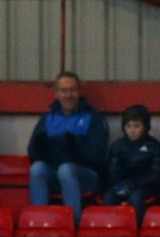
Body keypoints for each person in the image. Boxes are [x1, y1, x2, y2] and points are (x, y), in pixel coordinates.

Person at [27, 71, 108, 225]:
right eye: (64, 91)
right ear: (56, 94)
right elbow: (33, 154)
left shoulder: (94, 118)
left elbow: (98, 156)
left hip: (87, 177)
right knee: (37, 168)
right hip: (56, 175)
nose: (68, 95)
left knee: (66, 169)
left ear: (79, 92)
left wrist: (74, 149)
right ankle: (39, 223)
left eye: (72, 90)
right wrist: (41, 149)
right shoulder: (47, 119)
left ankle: (73, 224)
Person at [102, 105, 160, 227]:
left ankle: (137, 232)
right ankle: (112, 232)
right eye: (128, 126)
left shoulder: (154, 147)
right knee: (109, 197)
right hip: (122, 186)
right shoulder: (118, 146)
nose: (132, 130)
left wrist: (135, 183)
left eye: (137, 126)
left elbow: (157, 174)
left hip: (147, 187)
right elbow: (112, 171)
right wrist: (120, 184)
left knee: (136, 198)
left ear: (145, 126)